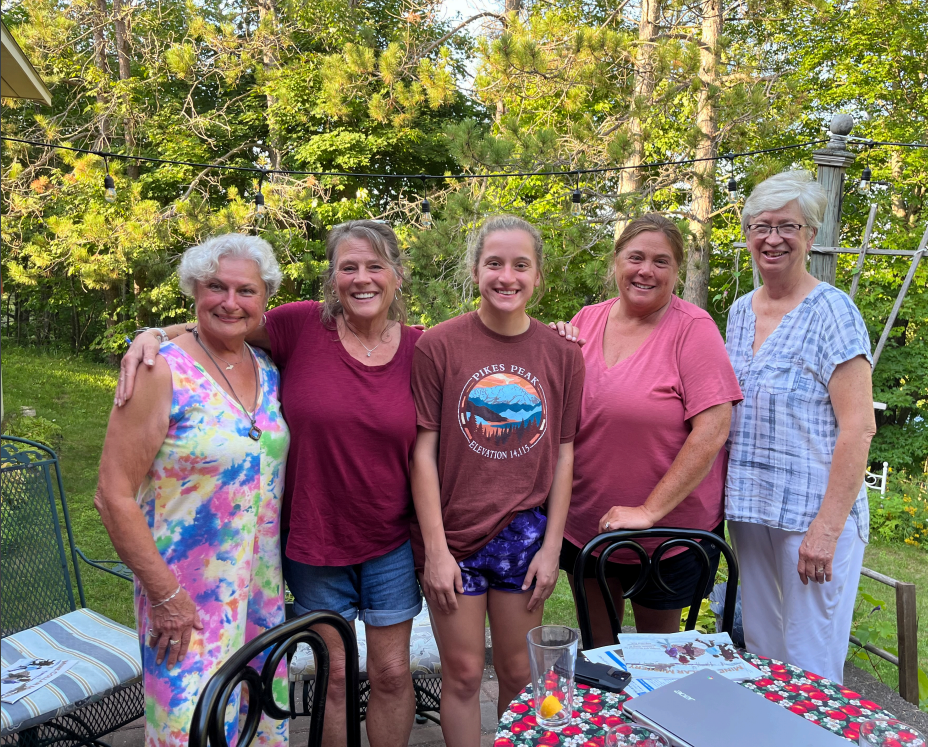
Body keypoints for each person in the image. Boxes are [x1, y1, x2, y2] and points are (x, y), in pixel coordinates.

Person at [116, 221, 423, 747]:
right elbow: (216, 325)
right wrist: (148, 336)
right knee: (335, 678)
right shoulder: (299, 327)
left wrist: (557, 332)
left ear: (397, 275)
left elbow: (488, 354)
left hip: (385, 542)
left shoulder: (423, 348)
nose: (362, 278)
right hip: (311, 542)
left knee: (391, 674)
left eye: (375, 266)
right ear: (332, 278)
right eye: (348, 267)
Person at [96, 234, 289, 747]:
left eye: (245, 290)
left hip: (260, 596)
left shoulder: (268, 368)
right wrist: (166, 598)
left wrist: (156, 329)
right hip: (184, 602)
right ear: (193, 290)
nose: (230, 301)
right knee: (192, 732)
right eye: (215, 287)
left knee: (260, 725)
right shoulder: (160, 370)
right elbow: (112, 495)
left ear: (264, 298)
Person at [411, 215, 585, 747]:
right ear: (474, 270)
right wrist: (436, 551)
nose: (506, 276)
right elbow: (423, 451)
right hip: (455, 534)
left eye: (520, 265)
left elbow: (563, 451)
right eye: (494, 263)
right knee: (462, 674)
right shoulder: (438, 346)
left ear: (538, 277)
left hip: (524, 535)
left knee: (517, 675)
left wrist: (552, 546)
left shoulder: (563, 354)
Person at [553, 214, 743, 644]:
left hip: (665, 536)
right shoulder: (586, 319)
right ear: (616, 261)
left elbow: (713, 431)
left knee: (655, 664)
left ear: (677, 272)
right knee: (601, 658)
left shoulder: (692, 330)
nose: (646, 270)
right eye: (635, 257)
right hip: (588, 528)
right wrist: (549, 347)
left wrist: (648, 512)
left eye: (661, 261)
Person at [724, 169, 876, 683]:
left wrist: (827, 529)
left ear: (810, 236)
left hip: (812, 519)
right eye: (761, 226)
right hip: (751, 511)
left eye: (787, 226)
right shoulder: (739, 312)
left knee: (810, 664)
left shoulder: (833, 311)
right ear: (747, 235)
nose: (773, 238)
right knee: (764, 653)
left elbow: (858, 429)